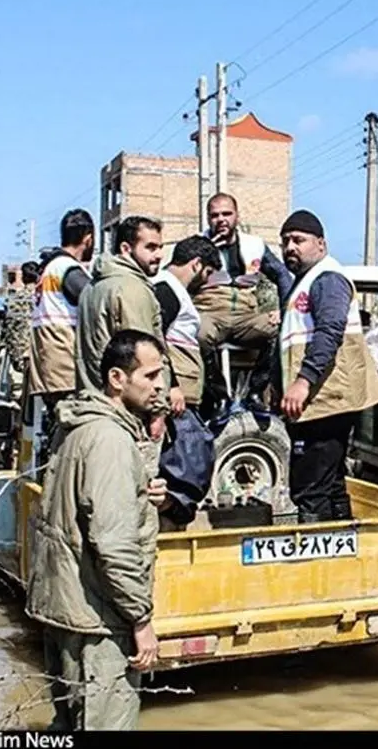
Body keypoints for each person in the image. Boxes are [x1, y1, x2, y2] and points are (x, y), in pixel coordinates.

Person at [25, 329, 167, 731]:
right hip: (98, 620)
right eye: (151, 376)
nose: (159, 385)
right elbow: (113, 543)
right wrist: (141, 620)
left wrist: (140, 491)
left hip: (66, 609)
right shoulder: (109, 440)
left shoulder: (78, 427)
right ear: (117, 379)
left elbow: (79, 507)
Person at [278, 210, 378, 523]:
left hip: (328, 398)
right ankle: (341, 545)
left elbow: (330, 330)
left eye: (299, 240)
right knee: (329, 482)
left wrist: (303, 380)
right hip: (321, 399)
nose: (290, 247)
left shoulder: (328, 279)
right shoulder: (307, 281)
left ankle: (319, 556)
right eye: (285, 241)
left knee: (311, 486)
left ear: (321, 244)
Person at [75, 215, 170, 465]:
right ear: (126, 249)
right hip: (128, 416)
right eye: (150, 247)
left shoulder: (92, 287)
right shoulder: (131, 289)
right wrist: (157, 410)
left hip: (93, 407)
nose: (158, 255)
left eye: (160, 247)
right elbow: (144, 361)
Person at [196, 193, 293, 410]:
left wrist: (284, 310)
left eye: (226, 214)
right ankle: (218, 395)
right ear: (207, 218)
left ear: (237, 216)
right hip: (210, 312)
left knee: (281, 330)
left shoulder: (254, 245)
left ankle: (256, 392)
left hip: (246, 313)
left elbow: (282, 275)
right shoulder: (197, 244)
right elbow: (176, 277)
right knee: (198, 333)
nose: (221, 219)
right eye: (215, 215)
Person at [152, 235, 220, 528]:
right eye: (206, 274)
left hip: (179, 400)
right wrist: (172, 385)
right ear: (196, 264)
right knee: (187, 466)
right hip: (174, 401)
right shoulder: (168, 290)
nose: (205, 283)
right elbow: (155, 340)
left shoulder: (173, 290)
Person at [30, 209, 96, 418]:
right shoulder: (67, 268)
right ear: (88, 238)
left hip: (50, 365)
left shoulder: (49, 268)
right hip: (65, 365)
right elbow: (95, 301)